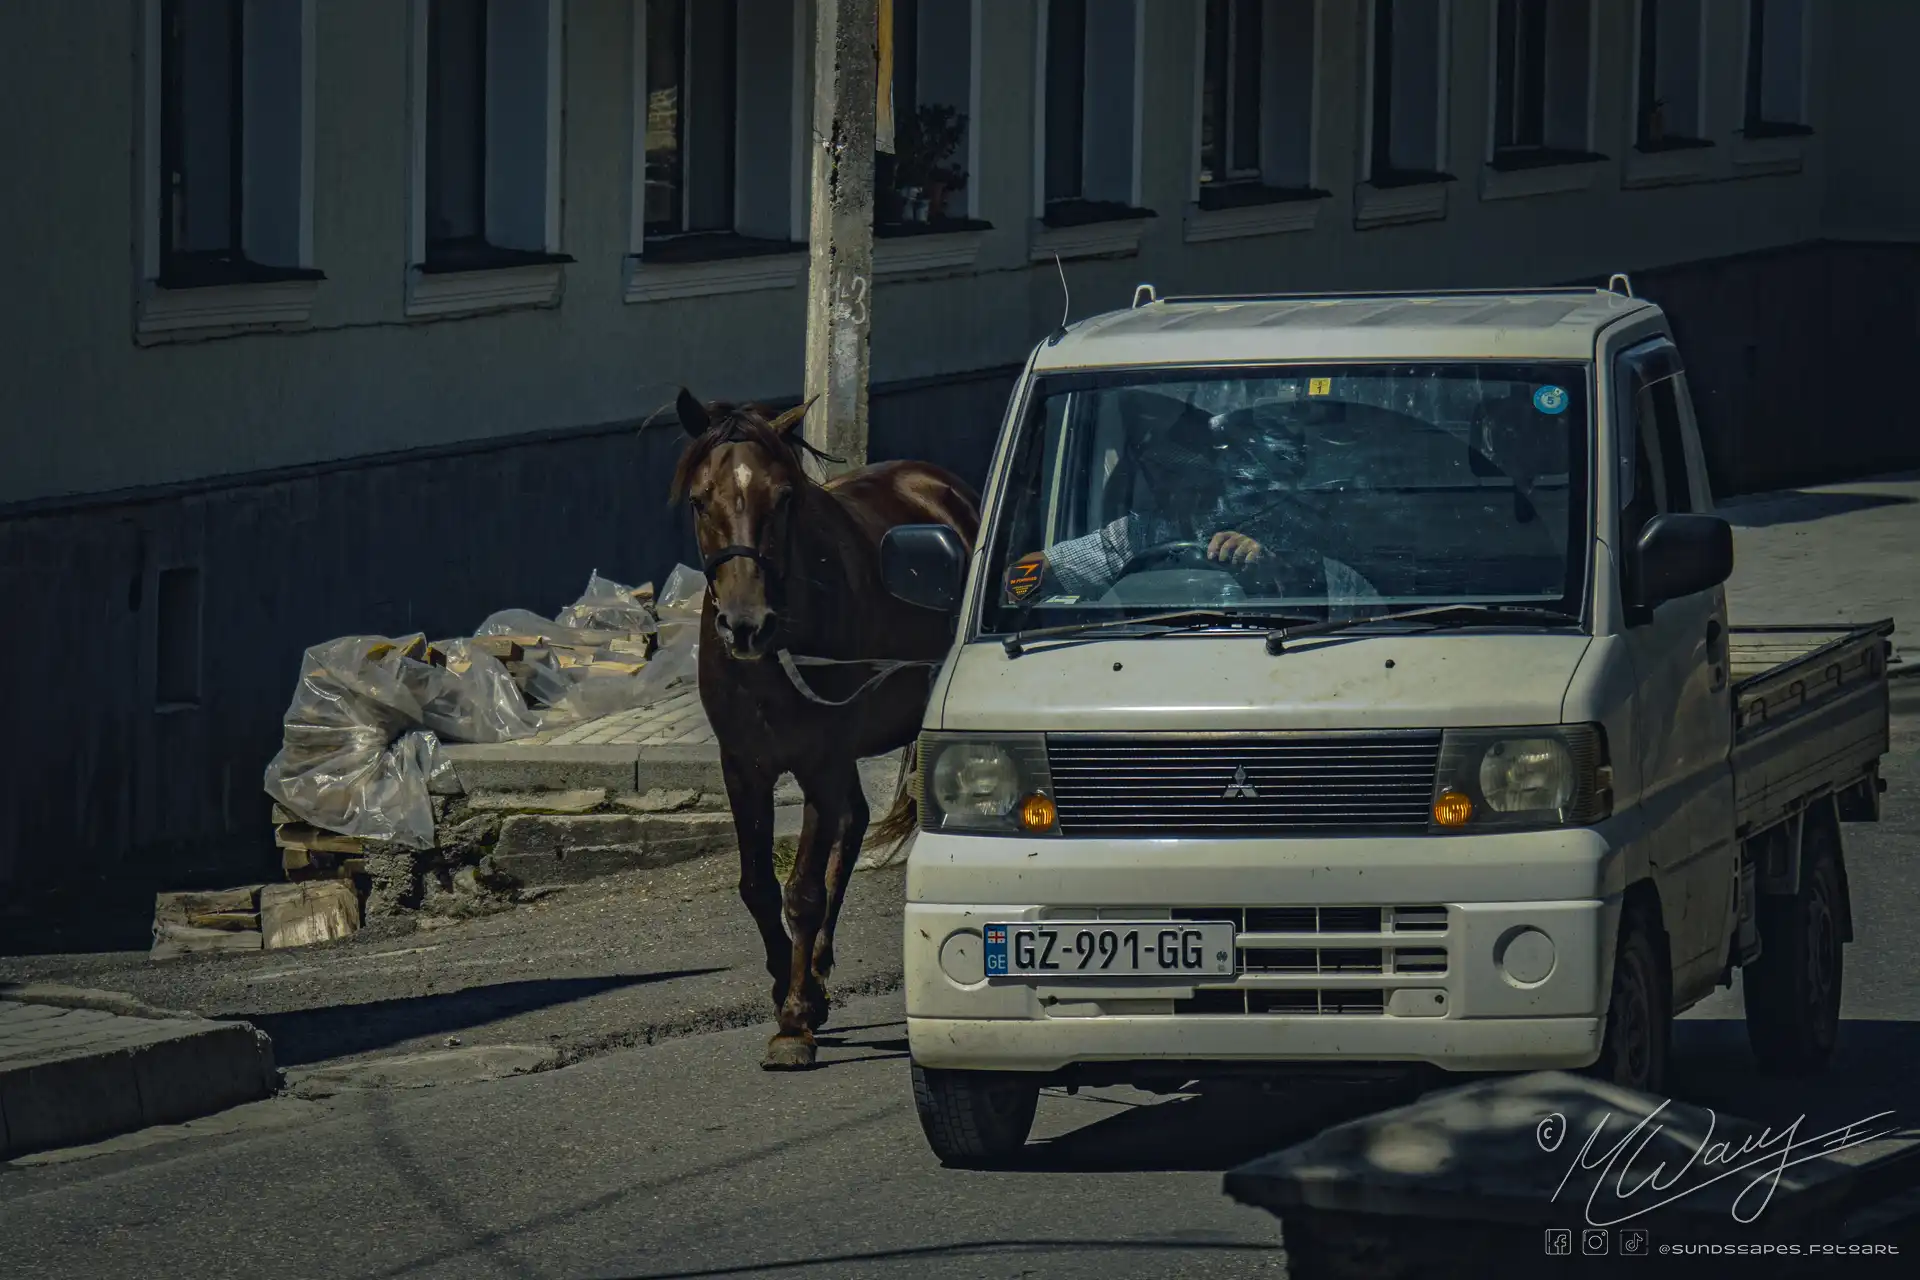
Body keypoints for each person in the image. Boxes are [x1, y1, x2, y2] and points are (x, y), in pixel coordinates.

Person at [1029, 398, 1383, 615]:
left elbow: (1353, 604)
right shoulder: (1140, 532)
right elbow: (1041, 568)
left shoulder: (1282, 519)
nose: (1172, 484)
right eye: (1160, 472)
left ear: (1218, 468)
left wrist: (1272, 568)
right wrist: (1015, 593)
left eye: (1185, 471)